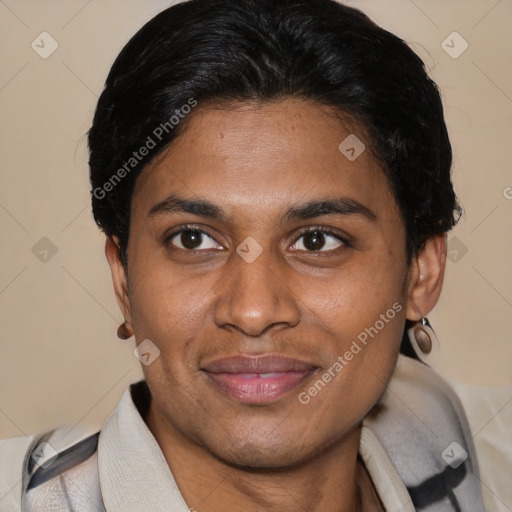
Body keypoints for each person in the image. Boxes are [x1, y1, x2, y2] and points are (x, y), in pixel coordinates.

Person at [0, 0, 486, 510]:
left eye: (317, 240)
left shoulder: (440, 431)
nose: (253, 312)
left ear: (422, 272)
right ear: (124, 279)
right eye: (193, 239)